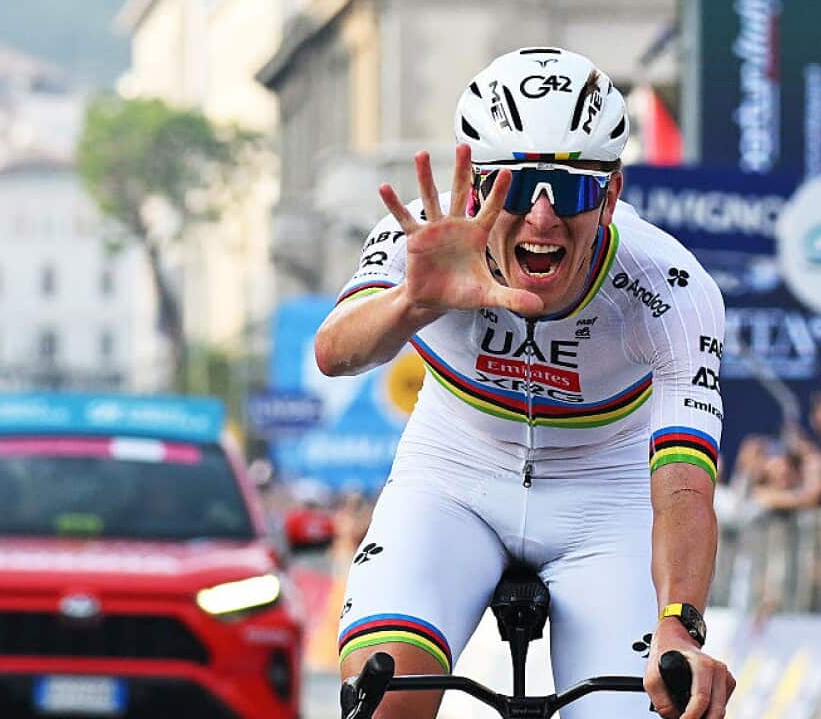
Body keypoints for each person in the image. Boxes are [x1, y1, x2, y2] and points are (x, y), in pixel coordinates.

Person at [314, 48, 734, 719]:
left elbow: (685, 480)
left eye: (569, 191)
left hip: (606, 502)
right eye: (517, 186)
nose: (542, 218)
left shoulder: (669, 288)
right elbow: (334, 353)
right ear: (477, 184)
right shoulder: (424, 241)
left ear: (611, 195)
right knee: (385, 695)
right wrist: (412, 304)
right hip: (452, 481)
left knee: (639, 707)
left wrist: (680, 624)